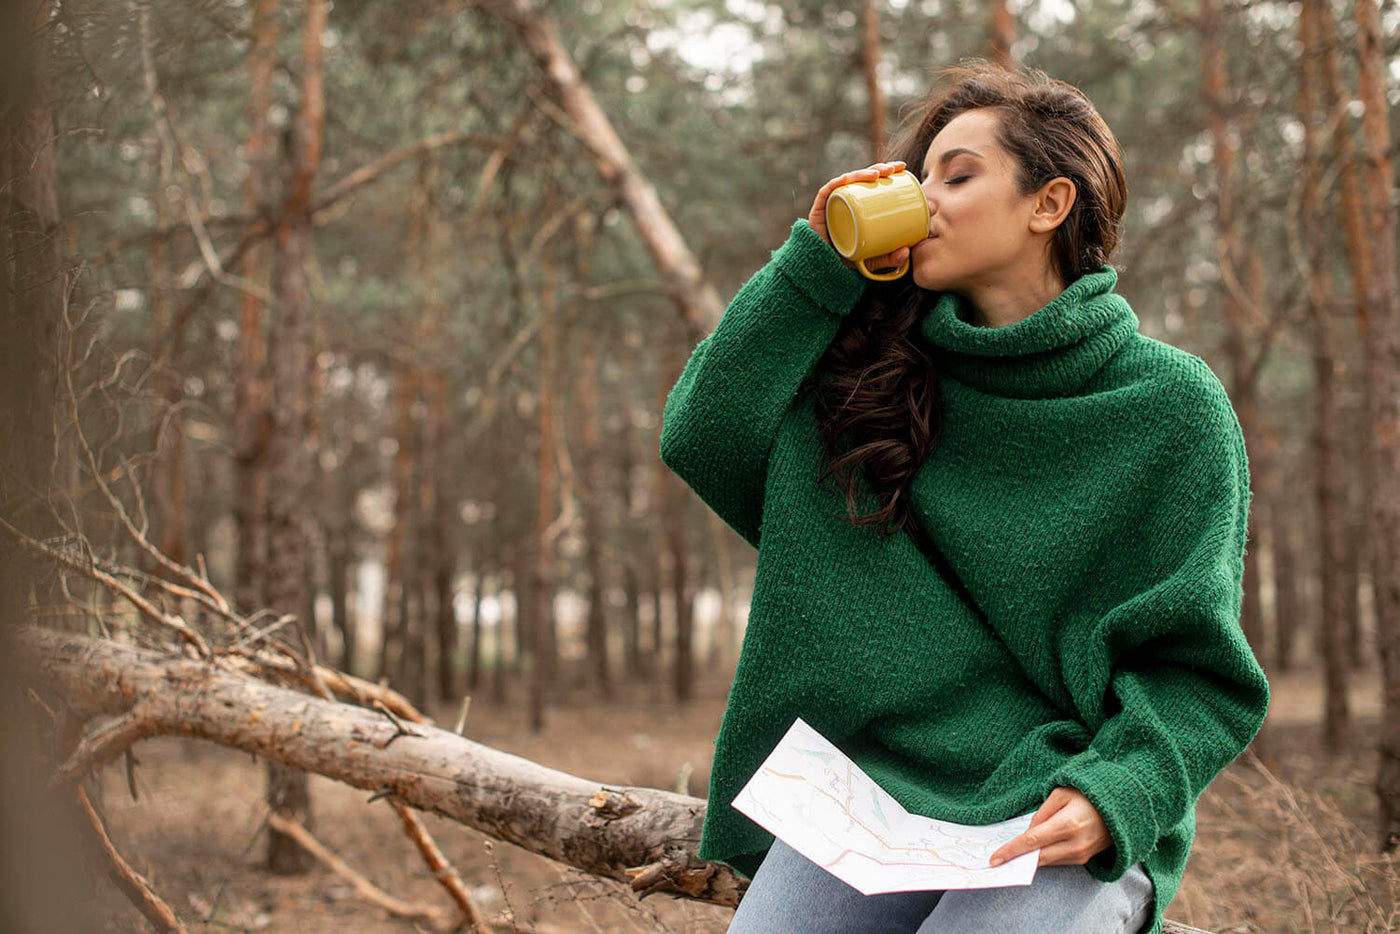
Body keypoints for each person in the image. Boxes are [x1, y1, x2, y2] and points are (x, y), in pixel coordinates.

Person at [658, 58, 1269, 934]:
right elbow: (704, 434)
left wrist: (1118, 792)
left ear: (1048, 205)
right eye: (918, 179)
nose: (926, 197)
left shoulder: (1167, 407)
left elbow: (1200, 673)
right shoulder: (872, 383)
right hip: (872, 792)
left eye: (959, 174)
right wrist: (817, 264)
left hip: (1062, 802)